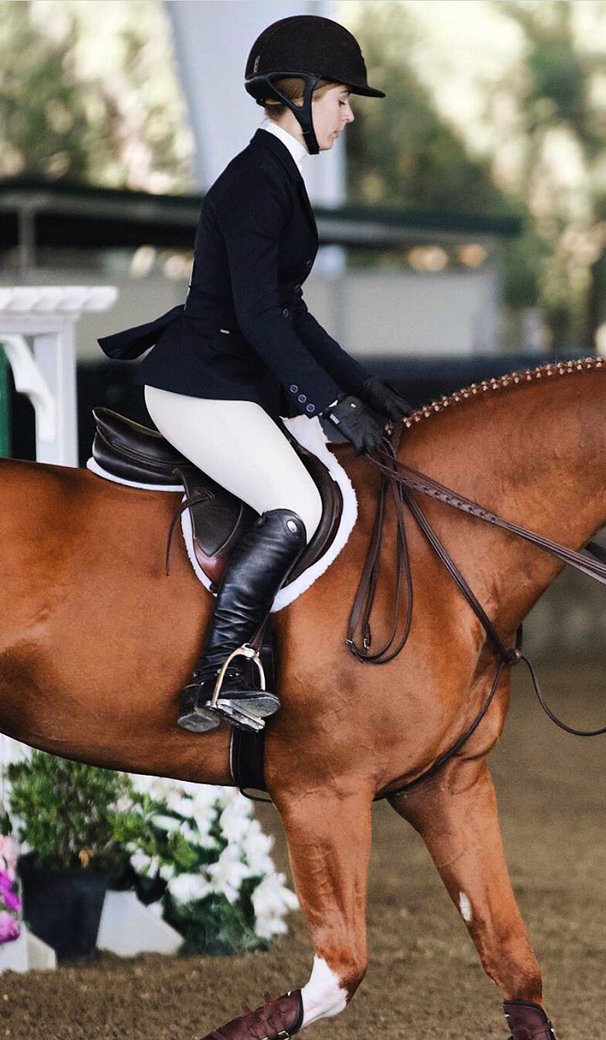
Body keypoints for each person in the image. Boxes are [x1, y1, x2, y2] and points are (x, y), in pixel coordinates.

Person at [99, 14, 412, 734]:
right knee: (295, 503)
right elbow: (260, 318)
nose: (348, 113)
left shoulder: (278, 176)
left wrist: (364, 388)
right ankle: (215, 675)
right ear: (299, 95)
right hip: (198, 387)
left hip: (237, 381)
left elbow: (290, 312)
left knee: (340, 485)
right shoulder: (253, 183)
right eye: (340, 98)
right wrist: (331, 404)